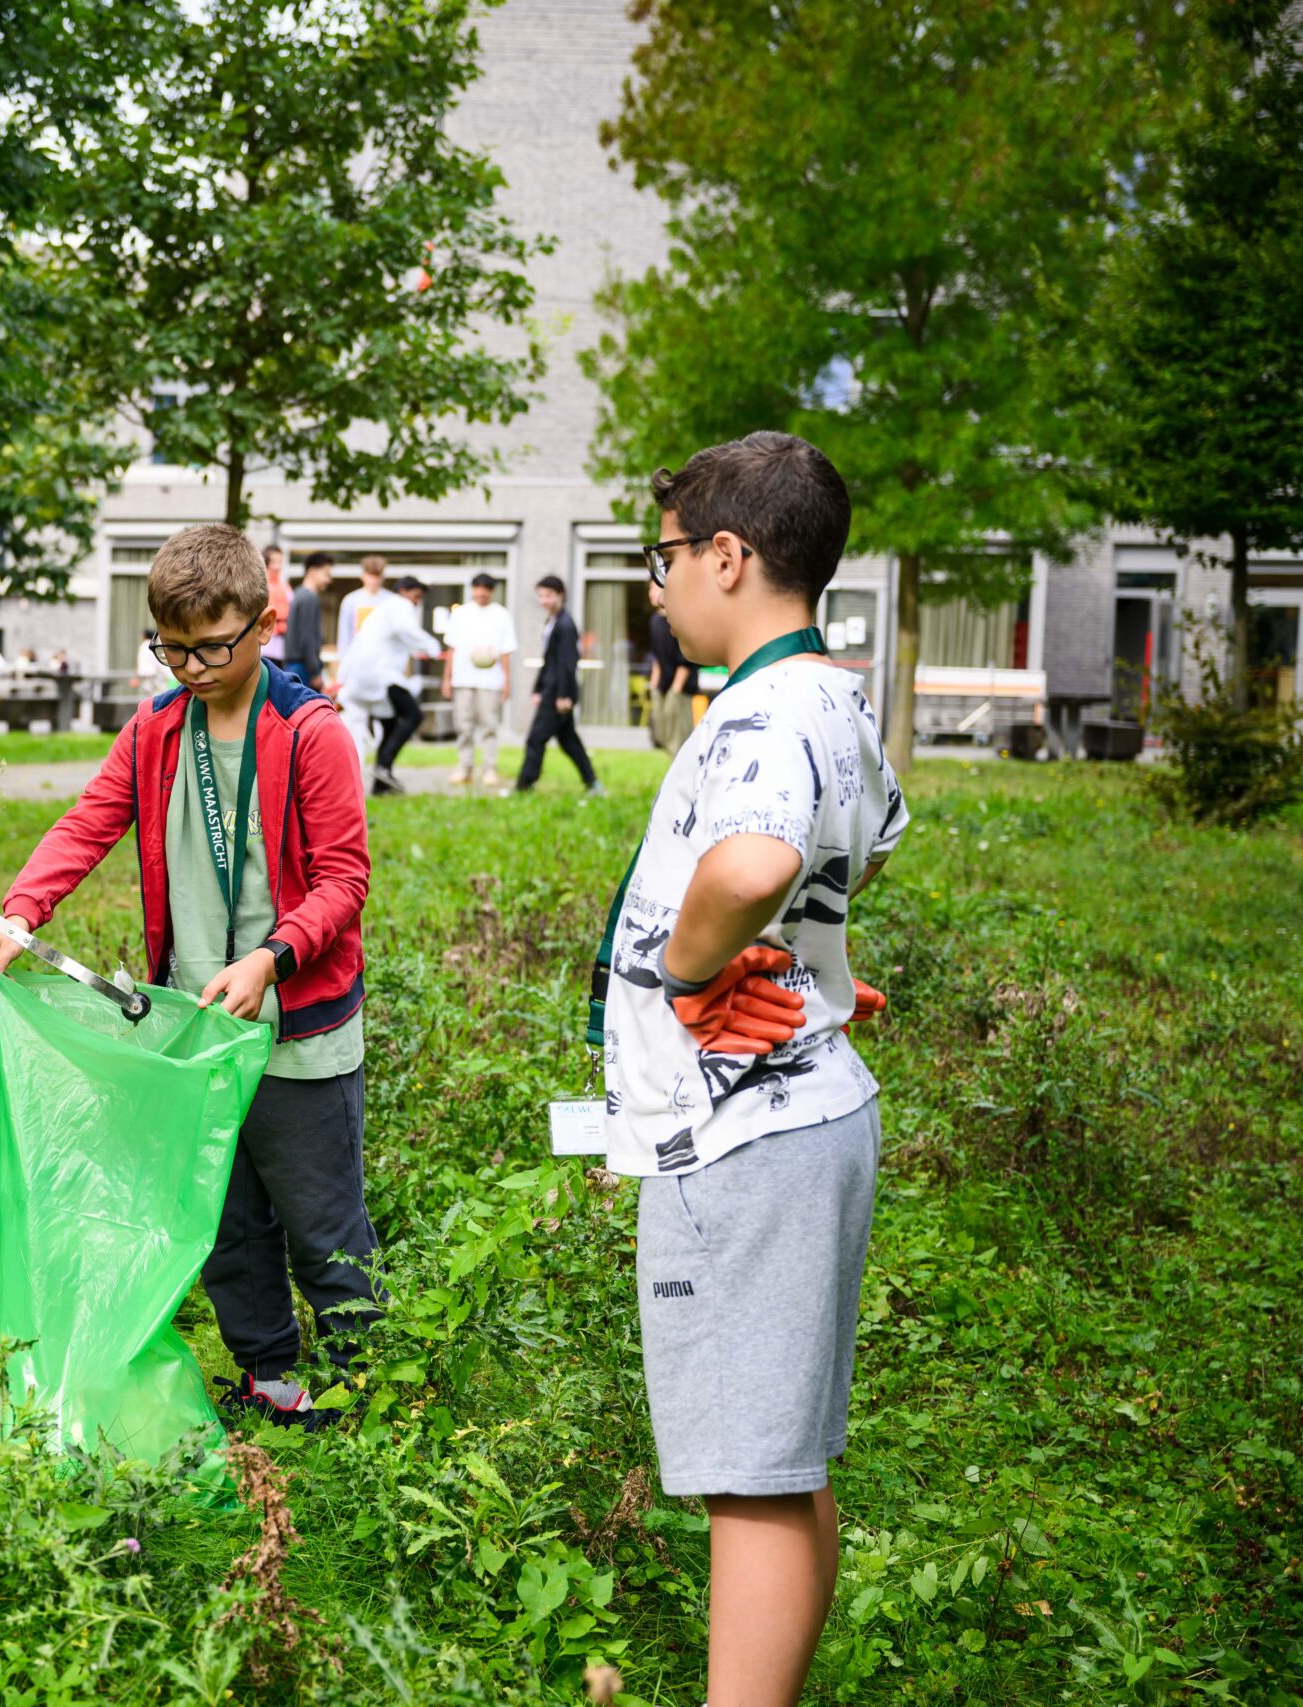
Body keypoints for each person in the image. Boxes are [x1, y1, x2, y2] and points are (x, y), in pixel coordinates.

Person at [601, 431, 906, 1707]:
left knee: (752, 1473)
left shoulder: (761, 713)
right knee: (782, 1455)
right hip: (794, 1118)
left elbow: (752, 865)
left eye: (663, 557)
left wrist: (687, 972)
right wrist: (815, 969)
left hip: (743, 1140)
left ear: (728, 557)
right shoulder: (833, 696)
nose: (656, 583)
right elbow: (867, 842)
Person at [0, 524, 377, 1432]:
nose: (191, 667)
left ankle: (366, 1390)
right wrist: (21, 911)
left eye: (212, 647)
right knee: (225, 1221)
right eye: (171, 648)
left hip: (297, 1024)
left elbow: (345, 880)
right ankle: (270, 1376)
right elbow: (87, 824)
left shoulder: (313, 736)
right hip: (196, 1027)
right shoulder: (156, 729)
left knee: (322, 1225)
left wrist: (271, 958)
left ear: (265, 624)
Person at [338, 575, 440, 795]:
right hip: (380, 675)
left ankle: (381, 786)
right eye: (416, 596)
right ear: (404, 591)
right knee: (413, 715)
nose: (417, 601)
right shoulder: (399, 605)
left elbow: (398, 639)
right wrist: (433, 647)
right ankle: (383, 766)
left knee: (391, 725)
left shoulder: (385, 610)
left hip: (364, 676)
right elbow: (408, 631)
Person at [513, 575, 603, 797]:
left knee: (536, 738)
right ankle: (592, 783)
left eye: (548, 595)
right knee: (568, 740)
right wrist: (537, 688)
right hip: (551, 690)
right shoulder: (552, 621)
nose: (544, 600)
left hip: (558, 693)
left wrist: (563, 695)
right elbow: (549, 660)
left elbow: (566, 663)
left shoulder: (565, 625)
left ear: (560, 595)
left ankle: (524, 786)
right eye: (541, 596)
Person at [439, 572, 518, 784]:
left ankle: (490, 768)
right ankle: (464, 767)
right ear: (472, 589)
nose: (481, 592)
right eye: (478, 588)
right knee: (463, 726)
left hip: (490, 681)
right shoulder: (460, 614)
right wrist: (446, 679)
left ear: (491, 591)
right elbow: (451, 649)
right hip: (462, 679)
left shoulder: (501, 615)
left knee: (489, 725)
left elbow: (507, 651)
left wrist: (507, 681)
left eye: (486, 588)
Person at [649, 604, 696, 756]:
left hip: (680, 690)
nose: (653, 593)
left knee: (679, 740)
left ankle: (684, 777)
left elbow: (686, 662)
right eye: (651, 589)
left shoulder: (680, 619)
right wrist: (653, 687)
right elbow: (657, 657)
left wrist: (675, 691)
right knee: (663, 737)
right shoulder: (655, 621)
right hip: (663, 688)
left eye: (657, 588)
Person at [286, 553, 332, 689]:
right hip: (303, 669)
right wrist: (315, 672)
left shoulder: (299, 595)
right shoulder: (308, 599)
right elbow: (308, 638)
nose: (329, 580)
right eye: (326, 574)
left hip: (296, 666)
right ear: (312, 571)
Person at [335, 554, 389, 655]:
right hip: (358, 655)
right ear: (363, 575)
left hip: (383, 657)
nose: (373, 580)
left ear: (382, 577)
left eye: (377, 576)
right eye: (370, 575)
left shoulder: (390, 600)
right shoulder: (351, 600)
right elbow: (344, 635)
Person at [259, 544, 291, 671]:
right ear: (266, 563)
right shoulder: (260, 586)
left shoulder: (285, 588)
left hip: (281, 647)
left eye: (280, 562)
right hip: (264, 647)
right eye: (275, 562)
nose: (278, 566)